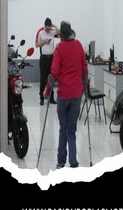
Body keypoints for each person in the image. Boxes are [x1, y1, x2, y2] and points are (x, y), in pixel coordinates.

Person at [48, 21, 88, 168]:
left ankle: (60, 162)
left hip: (64, 95)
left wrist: (47, 90)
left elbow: (54, 72)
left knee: (63, 129)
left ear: (61, 36)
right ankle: (73, 162)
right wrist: (85, 87)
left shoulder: (59, 48)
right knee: (71, 130)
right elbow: (85, 69)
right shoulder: (78, 45)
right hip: (76, 94)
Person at [35, 18, 58, 105]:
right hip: (44, 58)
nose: (48, 30)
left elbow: (60, 34)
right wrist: (44, 41)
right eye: (47, 28)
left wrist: (54, 26)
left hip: (52, 58)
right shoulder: (40, 32)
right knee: (43, 79)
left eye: (49, 28)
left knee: (52, 78)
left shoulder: (52, 31)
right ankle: (41, 98)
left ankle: (51, 97)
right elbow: (37, 45)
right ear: (44, 26)